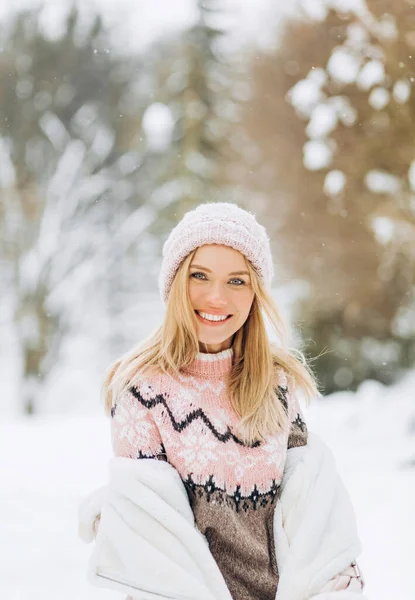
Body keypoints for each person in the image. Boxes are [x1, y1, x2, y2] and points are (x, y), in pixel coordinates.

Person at [83, 202, 365, 600]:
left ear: (255, 294)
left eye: (237, 281)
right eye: (200, 276)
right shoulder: (143, 391)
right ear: (176, 282)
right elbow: (157, 546)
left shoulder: (277, 383)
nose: (217, 298)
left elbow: (313, 522)